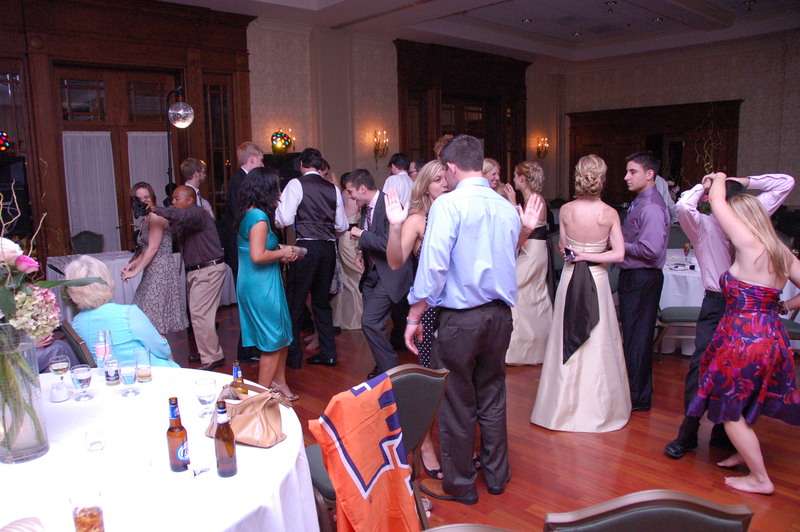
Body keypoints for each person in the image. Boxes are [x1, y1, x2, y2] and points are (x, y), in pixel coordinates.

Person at [400, 134, 541, 505]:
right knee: (492, 394)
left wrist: (414, 313)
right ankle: (496, 476)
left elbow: (433, 267)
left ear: (451, 167)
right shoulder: (505, 207)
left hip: (461, 318)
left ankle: (460, 485)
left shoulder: (448, 205)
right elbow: (508, 256)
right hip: (500, 317)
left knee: (457, 401)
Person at [665, 171, 795, 459]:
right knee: (700, 368)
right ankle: (688, 433)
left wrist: (741, 181)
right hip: (717, 304)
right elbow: (684, 206)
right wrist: (706, 185)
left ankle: (725, 433)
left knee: (742, 374)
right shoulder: (704, 225)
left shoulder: (751, 217)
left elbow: (785, 182)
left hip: (750, 309)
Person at [530, 154, 631, 432]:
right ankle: (599, 409)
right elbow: (619, 254)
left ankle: (560, 410)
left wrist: (579, 254)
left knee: (566, 334)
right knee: (599, 340)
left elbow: (564, 248)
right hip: (597, 279)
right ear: (602, 178)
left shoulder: (566, 210)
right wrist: (591, 254)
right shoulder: (609, 213)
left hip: (571, 277)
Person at [385, 159, 449, 479]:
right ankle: (425, 447)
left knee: (458, 385)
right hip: (429, 309)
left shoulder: (460, 212)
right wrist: (396, 226)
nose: (445, 184)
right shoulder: (418, 220)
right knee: (432, 383)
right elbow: (395, 261)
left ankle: (455, 447)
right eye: (438, 180)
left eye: (447, 178)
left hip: (460, 309)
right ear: (425, 186)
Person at [275, 147, 348, 369]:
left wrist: (279, 207)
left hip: (305, 248)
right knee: (321, 302)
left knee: (296, 301)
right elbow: (342, 225)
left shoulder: (296, 184)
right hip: (328, 248)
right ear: (319, 165)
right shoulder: (332, 188)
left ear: (301, 165)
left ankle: (294, 356)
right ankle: (329, 353)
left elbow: (284, 219)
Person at [343, 169, 413, 378]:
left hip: (391, 273)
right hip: (372, 274)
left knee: (369, 322)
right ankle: (383, 367)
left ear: (363, 189)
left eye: (350, 192)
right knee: (373, 326)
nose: (349, 197)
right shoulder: (366, 207)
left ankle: (392, 373)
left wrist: (361, 234)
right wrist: (360, 252)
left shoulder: (390, 205)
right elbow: (372, 237)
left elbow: (389, 244)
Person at [236, 167, 299, 397]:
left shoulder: (251, 213)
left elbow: (257, 249)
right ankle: (259, 398)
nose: (280, 193)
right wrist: (283, 252)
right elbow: (257, 255)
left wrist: (280, 252)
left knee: (281, 335)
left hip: (261, 281)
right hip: (260, 285)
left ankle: (279, 384)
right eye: (276, 187)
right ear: (266, 189)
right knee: (273, 340)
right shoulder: (259, 218)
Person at [618, 151, 670, 411]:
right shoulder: (640, 201)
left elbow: (651, 250)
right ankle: (636, 393)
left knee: (638, 339)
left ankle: (638, 398)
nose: (626, 177)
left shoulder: (651, 206)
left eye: (632, 172)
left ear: (649, 175)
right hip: (635, 276)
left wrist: (617, 244)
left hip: (642, 278)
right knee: (633, 337)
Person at [154, 186, 226, 370]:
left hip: (207, 271)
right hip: (198, 271)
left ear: (190, 200)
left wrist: (155, 209)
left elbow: (182, 216)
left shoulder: (198, 213)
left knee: (200, 315)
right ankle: (207, 352)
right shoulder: (188, 219)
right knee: (199, 315)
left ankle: (212, 356)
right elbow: (176, 226)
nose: (173, 202)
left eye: (176, 199)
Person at [65, 255, 178, 367]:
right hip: (150, 374)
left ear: (73, 290)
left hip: (108, 376)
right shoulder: (129, 314)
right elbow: (163, 351)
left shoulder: (76, 325)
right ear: (107, 281)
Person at [121, 182, 188, 335]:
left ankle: (161, 351)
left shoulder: (156, 216)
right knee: (146, 321)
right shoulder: (146, 219)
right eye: (139, 199)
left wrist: (135, 272)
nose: (144, 201)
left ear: (152, 197)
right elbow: (146, 250)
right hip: (151, 270)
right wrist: (132, 265)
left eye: (147, 197)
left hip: (161, 272)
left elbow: (153, 248)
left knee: (153, 324)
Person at [503, 161, 552, 365]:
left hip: (533, 252)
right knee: (530, 295)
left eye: (515, 175)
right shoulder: (533, 198)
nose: (513, 179)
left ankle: (520, 351)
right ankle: (533, 349)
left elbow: (523, 227)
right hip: (532, 250)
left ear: (522, 178)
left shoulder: (534, 199)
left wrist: (513, 202)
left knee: (516, 290)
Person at [225, 142, 264, 280]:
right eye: (261, 160)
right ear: (252, 158)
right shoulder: (240, 182)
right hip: (242, 248)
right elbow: (242, 217)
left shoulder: (243, 180)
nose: (262, 165)